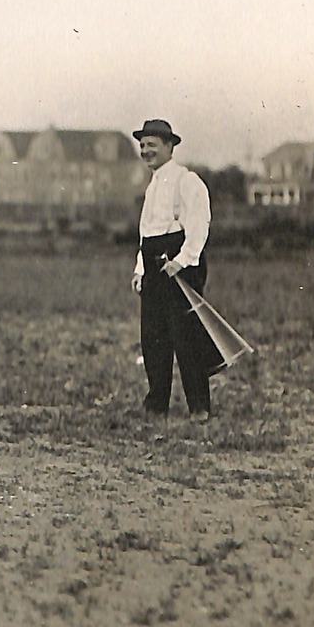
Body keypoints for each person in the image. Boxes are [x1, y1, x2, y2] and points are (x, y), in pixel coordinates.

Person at [130, 118, 222, 420]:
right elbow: (146, 233)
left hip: (180, 262)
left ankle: (199, 406)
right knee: (153, 336)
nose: (146, 151)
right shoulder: (152, 187)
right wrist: (141, 269)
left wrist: (182, 261)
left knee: (187, 337)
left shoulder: (187, 181)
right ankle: (157, 403)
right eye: (142, 146)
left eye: (152, 145)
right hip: (155, 264)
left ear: (170, 147)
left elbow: (198, 225)